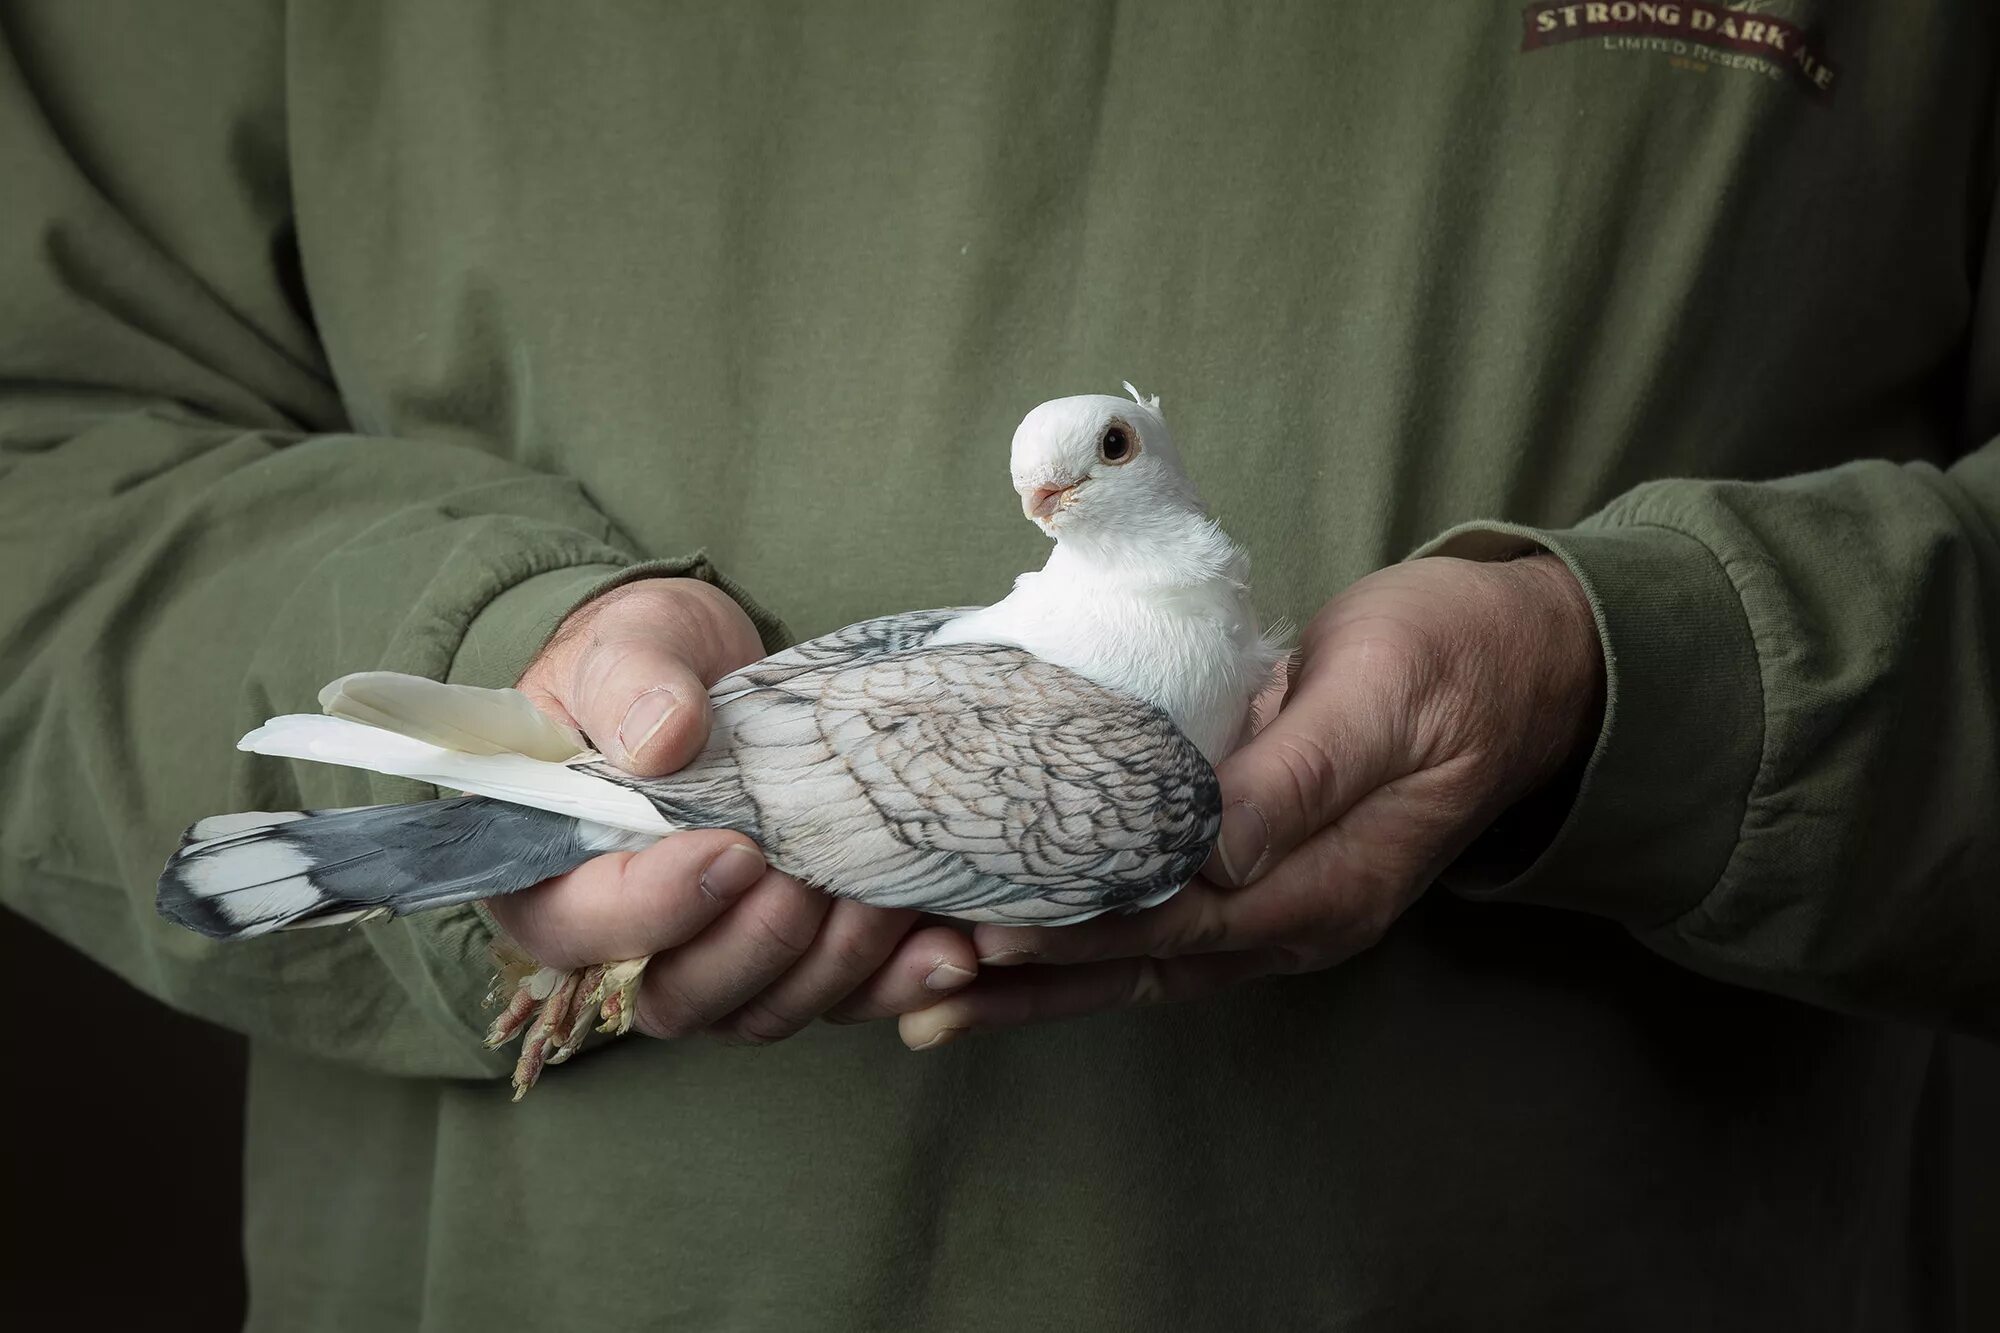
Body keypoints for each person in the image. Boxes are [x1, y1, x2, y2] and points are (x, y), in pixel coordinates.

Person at [2, 3, 1994, 1328]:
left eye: (1094, 464)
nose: (1055, 506)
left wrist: (1626, 673)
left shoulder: (1143, 700)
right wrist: (523, 670)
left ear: (1132, 459)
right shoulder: (1112, 741)